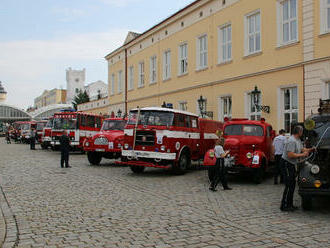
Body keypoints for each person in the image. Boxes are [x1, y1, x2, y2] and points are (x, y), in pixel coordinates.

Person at [280, 125, 314, 211]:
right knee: (289, 185)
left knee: (292, 185)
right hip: (287, 164)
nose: (302, 133)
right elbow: (290, 155)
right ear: (299, 132)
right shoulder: (291, 141)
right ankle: (284, 206)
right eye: (302, 131)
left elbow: (302, 149)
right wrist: (303, 155)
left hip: (291, 164)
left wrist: (311, 149)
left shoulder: (298, 140)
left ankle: (290, 204)